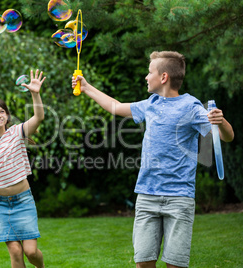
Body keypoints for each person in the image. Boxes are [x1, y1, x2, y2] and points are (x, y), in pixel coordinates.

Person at [72, 51, 234, 268]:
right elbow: (115, 106)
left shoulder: (191, 106)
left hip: (179, 198)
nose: (146, 77)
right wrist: (86, 87)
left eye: (150, 72)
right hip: (147, 195)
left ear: (164, 77)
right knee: (143, 263)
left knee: (175, 265)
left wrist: (220, 122)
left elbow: (227, 136)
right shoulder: (151, 104)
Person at [0, 70, 46, 268]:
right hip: (0, 204)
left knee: (31, 252)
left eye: (2, 111)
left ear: (7, 116)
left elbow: (39, 117)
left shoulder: (17, 133)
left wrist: (35, 93)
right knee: (15, 251)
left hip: (23, 200)